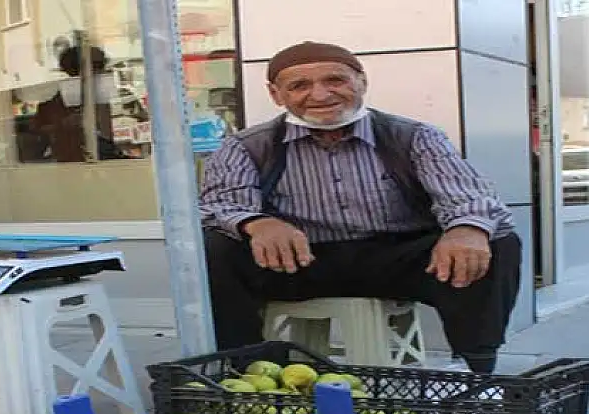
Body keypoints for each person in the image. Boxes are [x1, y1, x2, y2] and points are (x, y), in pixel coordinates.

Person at [198, 41, 522, 374]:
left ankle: (478, 370)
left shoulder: (414, 137)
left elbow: (467, 195)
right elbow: (219, 203)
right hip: (300, 261)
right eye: (300, 86)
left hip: (396, 261)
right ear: (276, 95)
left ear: (361, 82)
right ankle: (249, 370)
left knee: (494, 241)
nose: (321, 95)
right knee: (216, 247)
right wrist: (257, 222)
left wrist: (465, 229)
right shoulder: (247, 146)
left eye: (335, 81)